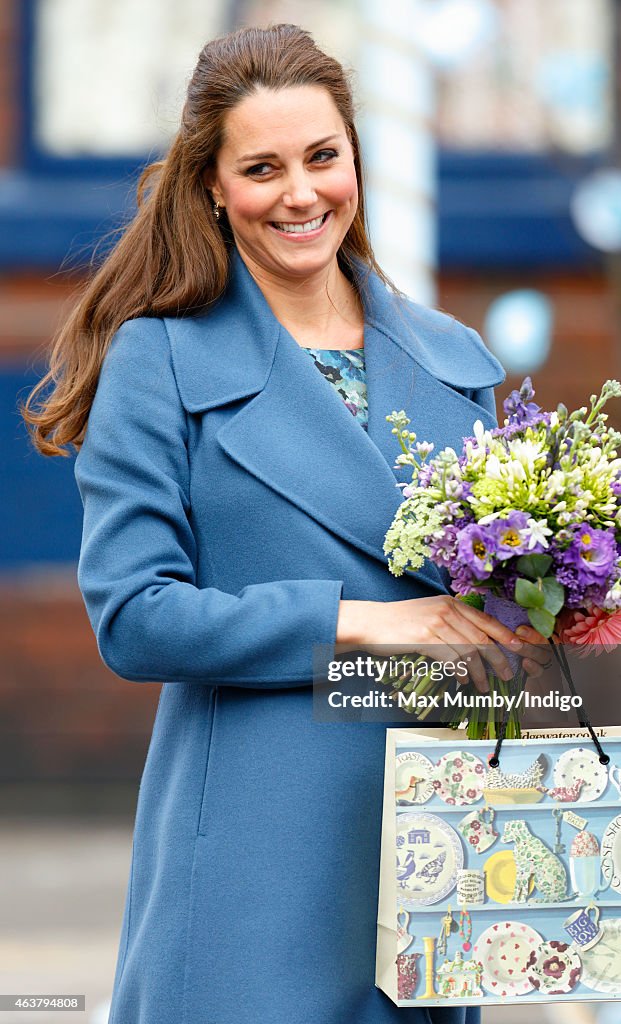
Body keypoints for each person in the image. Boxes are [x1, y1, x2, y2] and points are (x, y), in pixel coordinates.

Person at [23, 23, 548, 1024]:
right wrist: (359, 619)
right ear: (213, 186)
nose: (300, 193)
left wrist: (551, 619)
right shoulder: (161, 361)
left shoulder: (455, 358)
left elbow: (489, 627)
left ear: (355, 154)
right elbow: (135, 618)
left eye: (321, 156)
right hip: (253, 867)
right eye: (261, 168)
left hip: (427, 860)